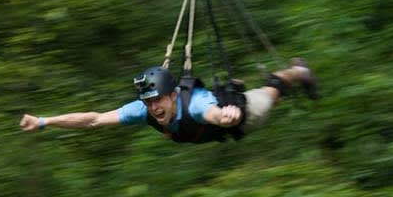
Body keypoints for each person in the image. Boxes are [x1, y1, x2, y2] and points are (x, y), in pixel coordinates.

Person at [19, 58, 318, 143]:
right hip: (223, 120)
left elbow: (213, 114)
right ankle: (291, 74)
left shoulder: (197, 103)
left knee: (270, 93)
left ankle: (298, 71)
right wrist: (44, 122)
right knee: (269, 92)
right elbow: (94, 119)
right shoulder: (144, 110)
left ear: (172, 94)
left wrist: (227, 116)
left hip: (246, 115)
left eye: (158, 100)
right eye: (148, 102)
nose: (153, 108)